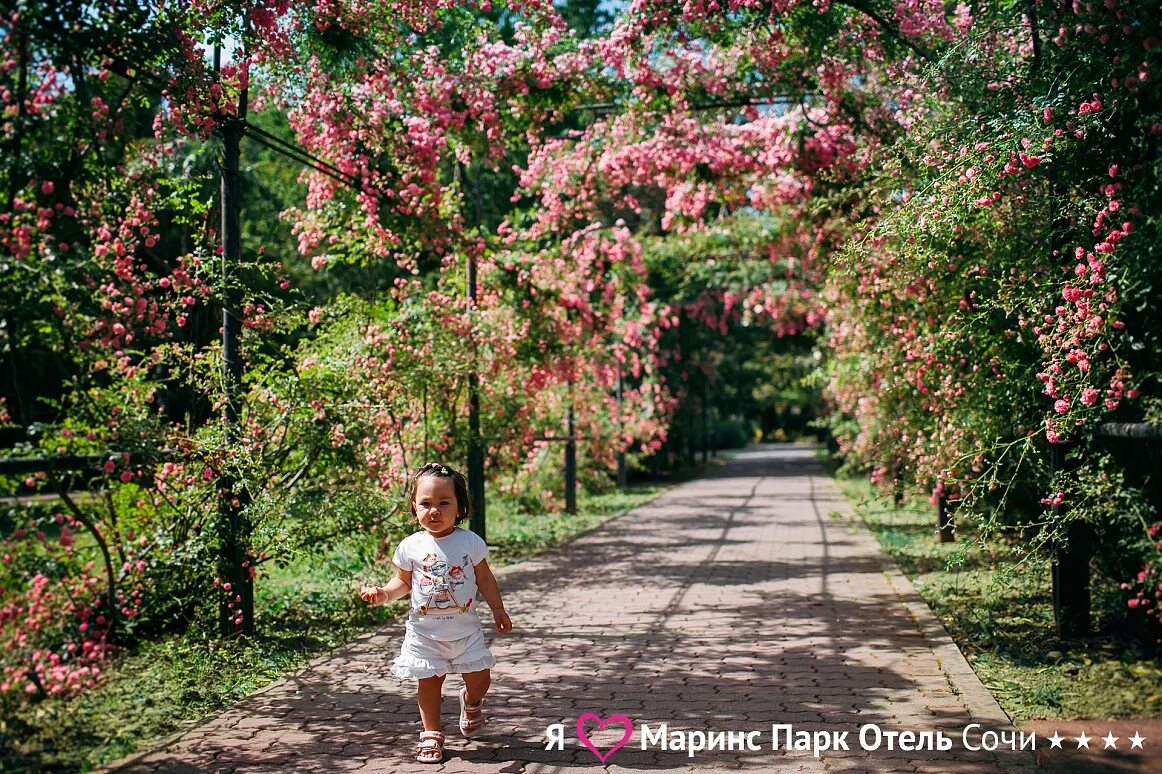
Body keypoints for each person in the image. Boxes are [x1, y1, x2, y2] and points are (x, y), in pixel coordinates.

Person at [360, 462, 513, 764]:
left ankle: (471, 702)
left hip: (465, 632)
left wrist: (498, 609)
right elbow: (402, 582)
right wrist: (383, 593)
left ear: (460, 508)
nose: (435, 511)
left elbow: (484, 578)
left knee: (480, 679)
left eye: (444, 503)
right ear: (414, 507)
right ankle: (431, 732)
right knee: (429, 681)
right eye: (426, 504)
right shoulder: (411, 546)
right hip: (424, 633)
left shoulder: (469, 541)